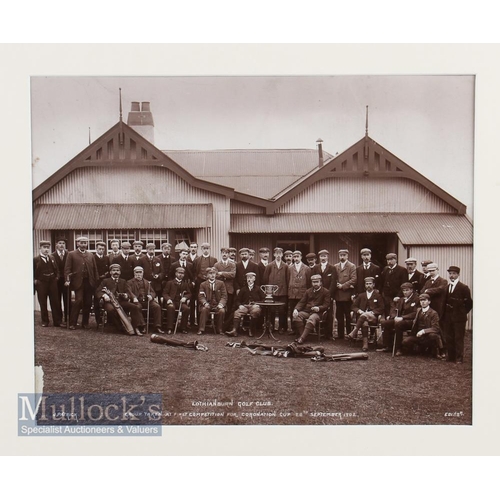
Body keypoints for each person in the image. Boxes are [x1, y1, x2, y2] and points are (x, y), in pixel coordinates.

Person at [95, 263, 145, 336]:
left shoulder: (123, 281)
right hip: (109, 302)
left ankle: (136, 327)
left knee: (134, 307)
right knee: (111, 310)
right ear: (110, 272)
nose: (116, 272)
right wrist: (104, 295)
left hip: (121, 301)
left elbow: (127, 291)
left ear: (120, 272)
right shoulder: (105, 281)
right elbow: (98, 291)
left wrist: (126, 295)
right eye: (114, 270)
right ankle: (120, 327)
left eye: (118, 270)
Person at [64, 236, 99, 330]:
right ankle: (72, 323)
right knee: (78, 301)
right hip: (77, 282)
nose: (83, 245)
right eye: (81, 243)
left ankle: (85, 323)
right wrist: (67, 280)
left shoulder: (90, 255)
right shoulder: (71, 254)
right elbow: (67, 269)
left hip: (89, 282)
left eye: (85, 243)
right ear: (77, 243)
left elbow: (95, 269)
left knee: (87, 303)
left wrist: (96, 280)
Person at [378, 282, 419, 355]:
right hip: (399, 319)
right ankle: (388, 345)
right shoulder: (401, 299)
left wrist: (402, 318)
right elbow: (395, 309)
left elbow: (415, 313)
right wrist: (392, 316)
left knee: (399, 325)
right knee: (385, 323)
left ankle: (399, 348)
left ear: (411, 290)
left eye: (407, 290)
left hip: (411, 321)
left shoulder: (416, 299)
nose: (405, 292)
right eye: (403, 290)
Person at [443, 266, 473, 364]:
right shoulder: (447, 287)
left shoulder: (464, 288)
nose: (451, 276)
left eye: (454, 274)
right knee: (449, 337)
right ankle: (451, 356)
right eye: (450, 273)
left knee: (458, 337)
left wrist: (462, 312)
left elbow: (469, 303)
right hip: (448, 317)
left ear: (458, 275)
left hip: (459, 318)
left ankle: (459, 358)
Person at [401, 293, 445, 359]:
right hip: (418, 336)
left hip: (428, 336)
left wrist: (424, 331)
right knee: (406, 341)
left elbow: (436, 328)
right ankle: (420, 350)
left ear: (429, 302)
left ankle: (436, 351)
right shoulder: (419, 310)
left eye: (425, 300)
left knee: (433, 336)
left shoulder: (433, 313)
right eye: (421, 300)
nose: (423, 302)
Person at [292, 274, 331, 344]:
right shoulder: (308, 291)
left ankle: (302, 338)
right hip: (307, 311)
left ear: (321, 282)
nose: (315, 284)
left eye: (317, 282)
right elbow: (302, 302)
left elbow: (326, 305)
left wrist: (318, 308)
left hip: (318, 313)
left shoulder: (326, 292)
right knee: (297, 316)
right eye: (313, 282)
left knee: (312, 318)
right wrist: (296, 309)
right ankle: (303, 336)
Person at [348, 276, 384, 351]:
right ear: (365, 285)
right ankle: (365, 345)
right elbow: (353, 306)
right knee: (364, 323)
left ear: (373, 285)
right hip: (362, 317)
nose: (368, 285)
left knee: (364, 316)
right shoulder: (361, 295)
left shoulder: (378, 296)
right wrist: (359, 311)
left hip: (373, 318)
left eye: (370, 284)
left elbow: (381, 308)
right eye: (367, 284)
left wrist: (372, 312)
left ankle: (354, 331)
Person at [226, 272, 265, 337]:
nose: (249, 280)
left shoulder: (258, 289)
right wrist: (240, 305)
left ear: (254, 279)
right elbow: (237, 300)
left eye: (251, 278)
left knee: (255, 311)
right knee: (237, 312)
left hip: (254, 306)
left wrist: (258, 304)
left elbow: (263, 299)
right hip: (245, 306)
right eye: (248, 278)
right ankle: (234, 330)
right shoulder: (243, 289)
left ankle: (251, 330)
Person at [127, 266, 164, 334]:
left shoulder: (147, 282)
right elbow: (129, 291)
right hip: (137, 301)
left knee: (157, 306)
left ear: (143, 273)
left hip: (147, 301)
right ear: (134, 273)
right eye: (137, 272)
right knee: (137, 307)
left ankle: (157, 326)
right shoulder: (129, 282)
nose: (138, 274)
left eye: (140, 272)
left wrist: (151, 296)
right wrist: (134, 297)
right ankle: (142, 326)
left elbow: (153, 292)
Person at [34, 241, 62, 327]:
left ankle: (57, 322)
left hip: (52, 282)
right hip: (41, 283)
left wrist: (56, 277)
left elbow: (57, 270)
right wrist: (35, 280)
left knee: (55, 302)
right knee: (43, 302)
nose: (46, 250)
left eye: (47, 248)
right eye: (44, 247)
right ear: (40, 248)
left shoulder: (52, 258)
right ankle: (45, 321)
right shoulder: (35, 260)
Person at [262, 247, 289, 333]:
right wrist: (267, 291)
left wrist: (286, 291)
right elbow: (265, 279)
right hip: (272, 292)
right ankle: (271, 327)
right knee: (272, 310)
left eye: (280, 254)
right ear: (274, 255)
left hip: (283, 292)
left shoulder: (285, 266)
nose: (278, 255)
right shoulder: (269, 265)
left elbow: (287, 279)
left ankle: (281, 327)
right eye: (276, 254)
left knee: (282, 310)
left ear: (282, 255)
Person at [313, 249, 338, 338]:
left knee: (329, 314)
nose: (323, 258)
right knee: (317, 311)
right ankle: (318, 332)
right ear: (319, 257)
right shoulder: (316, 267)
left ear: (327, 257)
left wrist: (329, 294)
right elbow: (313, 281)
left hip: (328, 295)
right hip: (318, 295)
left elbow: (333, 282)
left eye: (324, 256)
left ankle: (329, 334)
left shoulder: (332, 268)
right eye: (321, 256)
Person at [333, 249, 357, 339]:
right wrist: (336, 285)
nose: (342, 257)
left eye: (344, 255)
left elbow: (354, 279)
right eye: (340, 255)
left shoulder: (352, 266)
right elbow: (334, 278)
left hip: (347, 295)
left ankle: (349, 334)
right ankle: (340, 335)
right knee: (339, 316)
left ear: (347, 256)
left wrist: (342, 286)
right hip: (338, 296)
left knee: (348, 316)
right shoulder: (335, 266)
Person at [197, 267, 227, 335]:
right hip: (208, 303)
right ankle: (201, 329)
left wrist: (221, 304)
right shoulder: (203, 284)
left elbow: (224, 296)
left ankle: (219, 329)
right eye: (210, 273)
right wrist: (204, 303)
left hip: (217, 304)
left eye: (214, 273)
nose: (212, 275)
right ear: (207, 275)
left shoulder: (221, 283)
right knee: (204, 309)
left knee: (221, 311)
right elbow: (201, 296)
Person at [163, 267, 192, 334]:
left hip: (180, 302)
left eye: (182, 273)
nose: (180, 275)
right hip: (171, 301)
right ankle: (170, 328)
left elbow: (189, 293)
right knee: (171, 307)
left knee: (186, 309)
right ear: (176, 273)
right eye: (179, 273)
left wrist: (185, 297)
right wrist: (168, 299)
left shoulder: (185, 284)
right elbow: (165, 293)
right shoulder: (170, 283)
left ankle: (183, 327)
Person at [288, 250, 312, 331]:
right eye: (294, 257)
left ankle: (302, 330)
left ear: (301, 257)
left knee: (301, 311)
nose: (296, 258)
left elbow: (309, 282)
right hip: (292, 294)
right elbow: (288, 279)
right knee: (292, 310)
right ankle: (293, 330)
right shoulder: (290, 268)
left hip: (302, 294)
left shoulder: (306, 268)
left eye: (297, 257)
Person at [379, 253, 407, 317]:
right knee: (387, 312)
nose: (389, 261)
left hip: (396, 296)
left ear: (396, 260)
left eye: (391, 259)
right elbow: (382, 282)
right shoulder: (385, 270)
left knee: (395, 312)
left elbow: (404, 284)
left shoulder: (402, 270)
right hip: (387, 296)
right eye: (388, 260)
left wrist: (399, 296)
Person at [214, 247, 236, 324]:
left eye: (226, 253)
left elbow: (233, 275)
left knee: (229, 306)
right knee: (220, 305)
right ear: (221, 254)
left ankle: (226, 324)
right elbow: (215, 275)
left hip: (229, 288)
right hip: (219, 288)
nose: (224, 254)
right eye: (223, 253)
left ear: (228, 254)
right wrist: (226, 274)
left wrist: (222, 273)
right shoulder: (217, 264)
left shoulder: (232, 264)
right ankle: (218, 323)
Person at [52, 237, 69, 325]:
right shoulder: (52, 255)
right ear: (56, 245)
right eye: (60, 243)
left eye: (63, 243)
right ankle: (58, 320)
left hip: (66, 281)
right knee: (57, 300)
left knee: (67, 300)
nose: (61, 245)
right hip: (56, 281)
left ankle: (67, 319)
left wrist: (68, 279)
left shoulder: (68, 254)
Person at [93, 241, 110, 327]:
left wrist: (105, 275)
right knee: (96, 301)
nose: (101, 250)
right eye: (99, 249)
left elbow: (109, 269)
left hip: (105, 282)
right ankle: (98, 320)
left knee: (107, 300)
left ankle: (108, 321)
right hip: (96, 282)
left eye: (103, 249)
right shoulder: (93, 258)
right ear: (96, 249)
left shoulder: (107, 258)